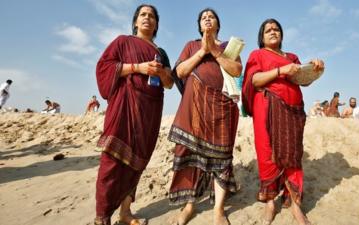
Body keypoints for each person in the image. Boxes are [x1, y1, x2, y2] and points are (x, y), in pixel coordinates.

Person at [94, 4, 173, 225]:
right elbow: (104, 67)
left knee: (137, 162)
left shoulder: (161, 52)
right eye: (143, 15)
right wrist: (138, 67)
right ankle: (102, 216)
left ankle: (126, 212)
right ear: (136, 21)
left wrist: (161, 72)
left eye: (151, 16)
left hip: (150, 111)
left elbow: (168, 84)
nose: (147, 18)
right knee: (112, 160)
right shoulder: (123, 41)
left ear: (156, 24)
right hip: (124, 107)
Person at [242, 18, 324, 225]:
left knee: (293, 154)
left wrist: (314, 69)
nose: (272, 31)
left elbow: (302, 80)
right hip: (267, 108)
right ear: (261, 36)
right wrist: (281, 71)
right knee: (267, 152)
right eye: (268, 30)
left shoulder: (292, 57)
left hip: (293, 110)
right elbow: (255, 80)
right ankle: (270, 202)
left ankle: (295, 205)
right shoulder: (257, 54)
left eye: (276, 29)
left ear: (281, 34)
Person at [167, 8, 242, 225]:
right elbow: (180, 72)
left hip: (222, 107)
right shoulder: (191, 45)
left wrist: (215, 51)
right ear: (200, 26)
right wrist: (202, 51)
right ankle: (190, 205)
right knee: (190, 153)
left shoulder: (229, 45)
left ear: (218, 24)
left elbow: (237, 70)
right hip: (194, 107)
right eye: (203, 17)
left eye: (211, 16)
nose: (207, 18)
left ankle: (218, 210)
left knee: (222, 158)